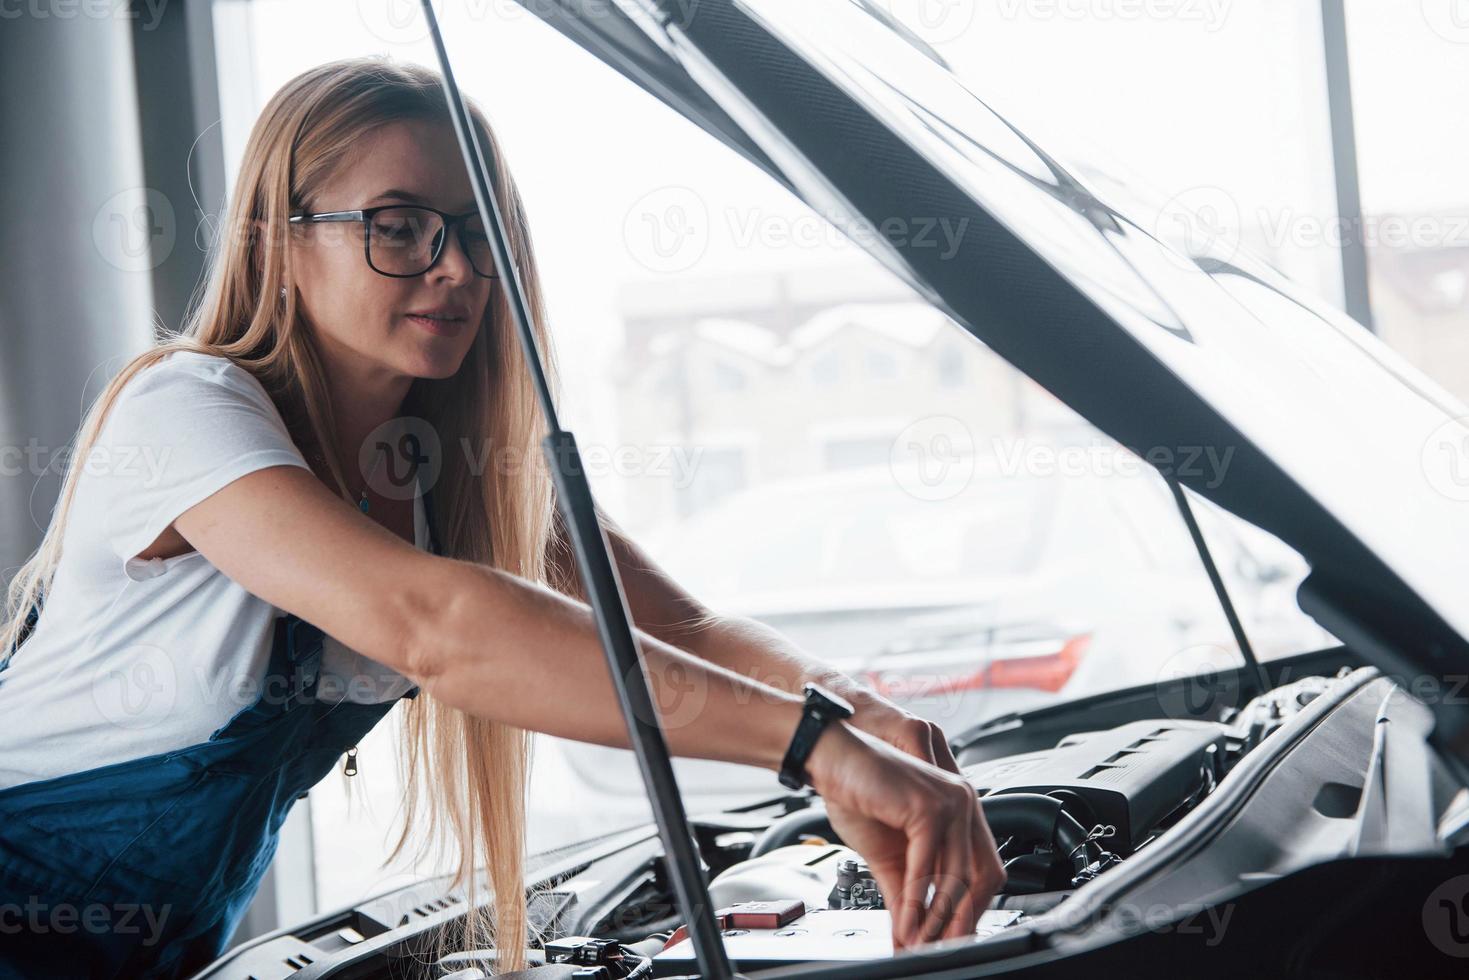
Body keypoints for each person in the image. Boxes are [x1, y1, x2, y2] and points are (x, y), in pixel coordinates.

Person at [0, 56, 1003, 978]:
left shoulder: (459, 471)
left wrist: (859, 711)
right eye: (396, 225)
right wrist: (815, 748)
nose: (455, 265)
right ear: (277, 240)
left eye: (478, 228)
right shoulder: (183, 407)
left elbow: (678, 628)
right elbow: (429, 625)